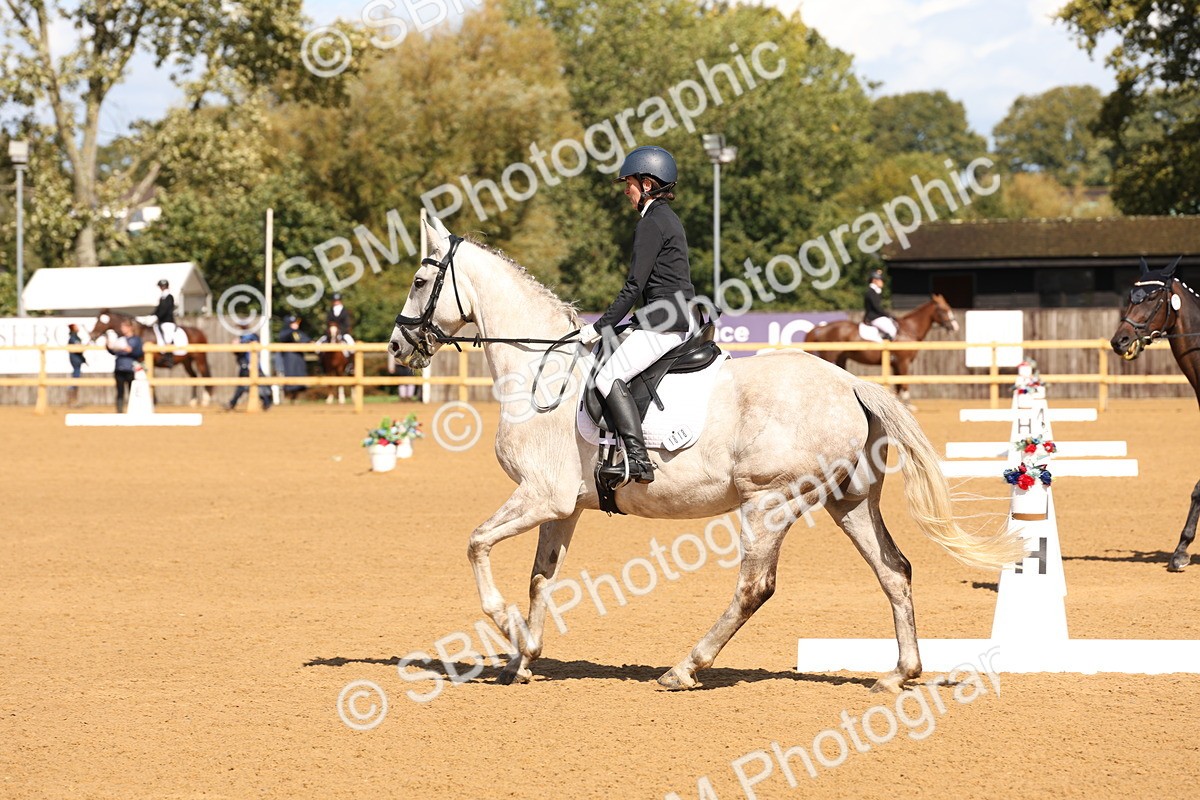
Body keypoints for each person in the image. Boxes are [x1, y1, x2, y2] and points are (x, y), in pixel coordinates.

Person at [576, 145, 697, 485]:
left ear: (646, 184)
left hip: (663, 322)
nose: (625, 191)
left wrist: (599, 328)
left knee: (605, 377)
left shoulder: (651, 224)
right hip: (668, 316)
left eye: (628, 184)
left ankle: (638, 459)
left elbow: (633, 287)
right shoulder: (666, 219)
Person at [225, 324, 272, 411]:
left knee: (246, 385)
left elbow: (252, 346)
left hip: (249, 365)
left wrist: (239, 344)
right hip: (248, 364)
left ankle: (232, 403)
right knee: (248, 385)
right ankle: (266, 402)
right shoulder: (244, 337)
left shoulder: (249, 337)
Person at [106, 319, 143, 413]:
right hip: (119, 367)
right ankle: (119, 411)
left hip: (131, 368)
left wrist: (130, 351)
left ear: (130, 328)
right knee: (120, 391)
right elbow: (114, 352)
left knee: (132, 391)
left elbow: (138, 352)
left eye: (124, 327)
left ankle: (134, 410)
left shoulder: (136, 339)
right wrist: (108, 346)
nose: (122, 329)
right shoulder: (121, 339)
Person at [277, 315, 310, 402]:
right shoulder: (286, 332)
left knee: (300, 374)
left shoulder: (298, 332)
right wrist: (292, 331)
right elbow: (283, 337)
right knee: (290, 373)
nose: (296, 324)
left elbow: (306, 339)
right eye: (294, 323)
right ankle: (289, 395)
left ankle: (297, 396)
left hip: (298, 357)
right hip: (289, 357)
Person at [864, 269, 898, 341]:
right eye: (880, 280)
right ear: (874, 280)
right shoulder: (871, 292)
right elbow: (877, 307)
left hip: (877, 317)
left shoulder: (875, 291)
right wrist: (887, 314)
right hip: (874, 318)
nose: (882, 282)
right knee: (892, 331)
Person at [153, 279, 177, 367]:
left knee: (167, 337)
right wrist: (152, 315)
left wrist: (157, 316)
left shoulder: (169, 297)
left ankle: (169, 357)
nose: (161, 288)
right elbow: (158, 309)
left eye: (163, 286)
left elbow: (166, 310)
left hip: (168, 321)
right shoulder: (161, 297)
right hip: (161, 321)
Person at [67, 323, 86, 408]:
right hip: (76, 360)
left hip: (77, 360)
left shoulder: (74, 337)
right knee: (75, 380)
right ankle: (72, 401)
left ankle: (74, 401)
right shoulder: (73, 338)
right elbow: (78, 348)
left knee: (76, 379)